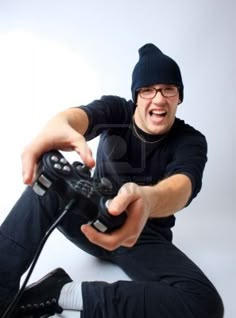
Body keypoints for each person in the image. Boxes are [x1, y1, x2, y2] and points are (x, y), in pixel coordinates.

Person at [0, 43, 224, 318]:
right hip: (90, 219)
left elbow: (182, 185)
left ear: (179, 97)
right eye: (148, 90)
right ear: (136, 96)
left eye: (168, 89)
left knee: (205, 303)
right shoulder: (116, 111)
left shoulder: (190, 140)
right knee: (46, 184)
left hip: (140, 238)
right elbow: (78, 117)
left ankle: (59, 293)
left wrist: (148, 199)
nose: (158, 99)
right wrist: (58, 124)